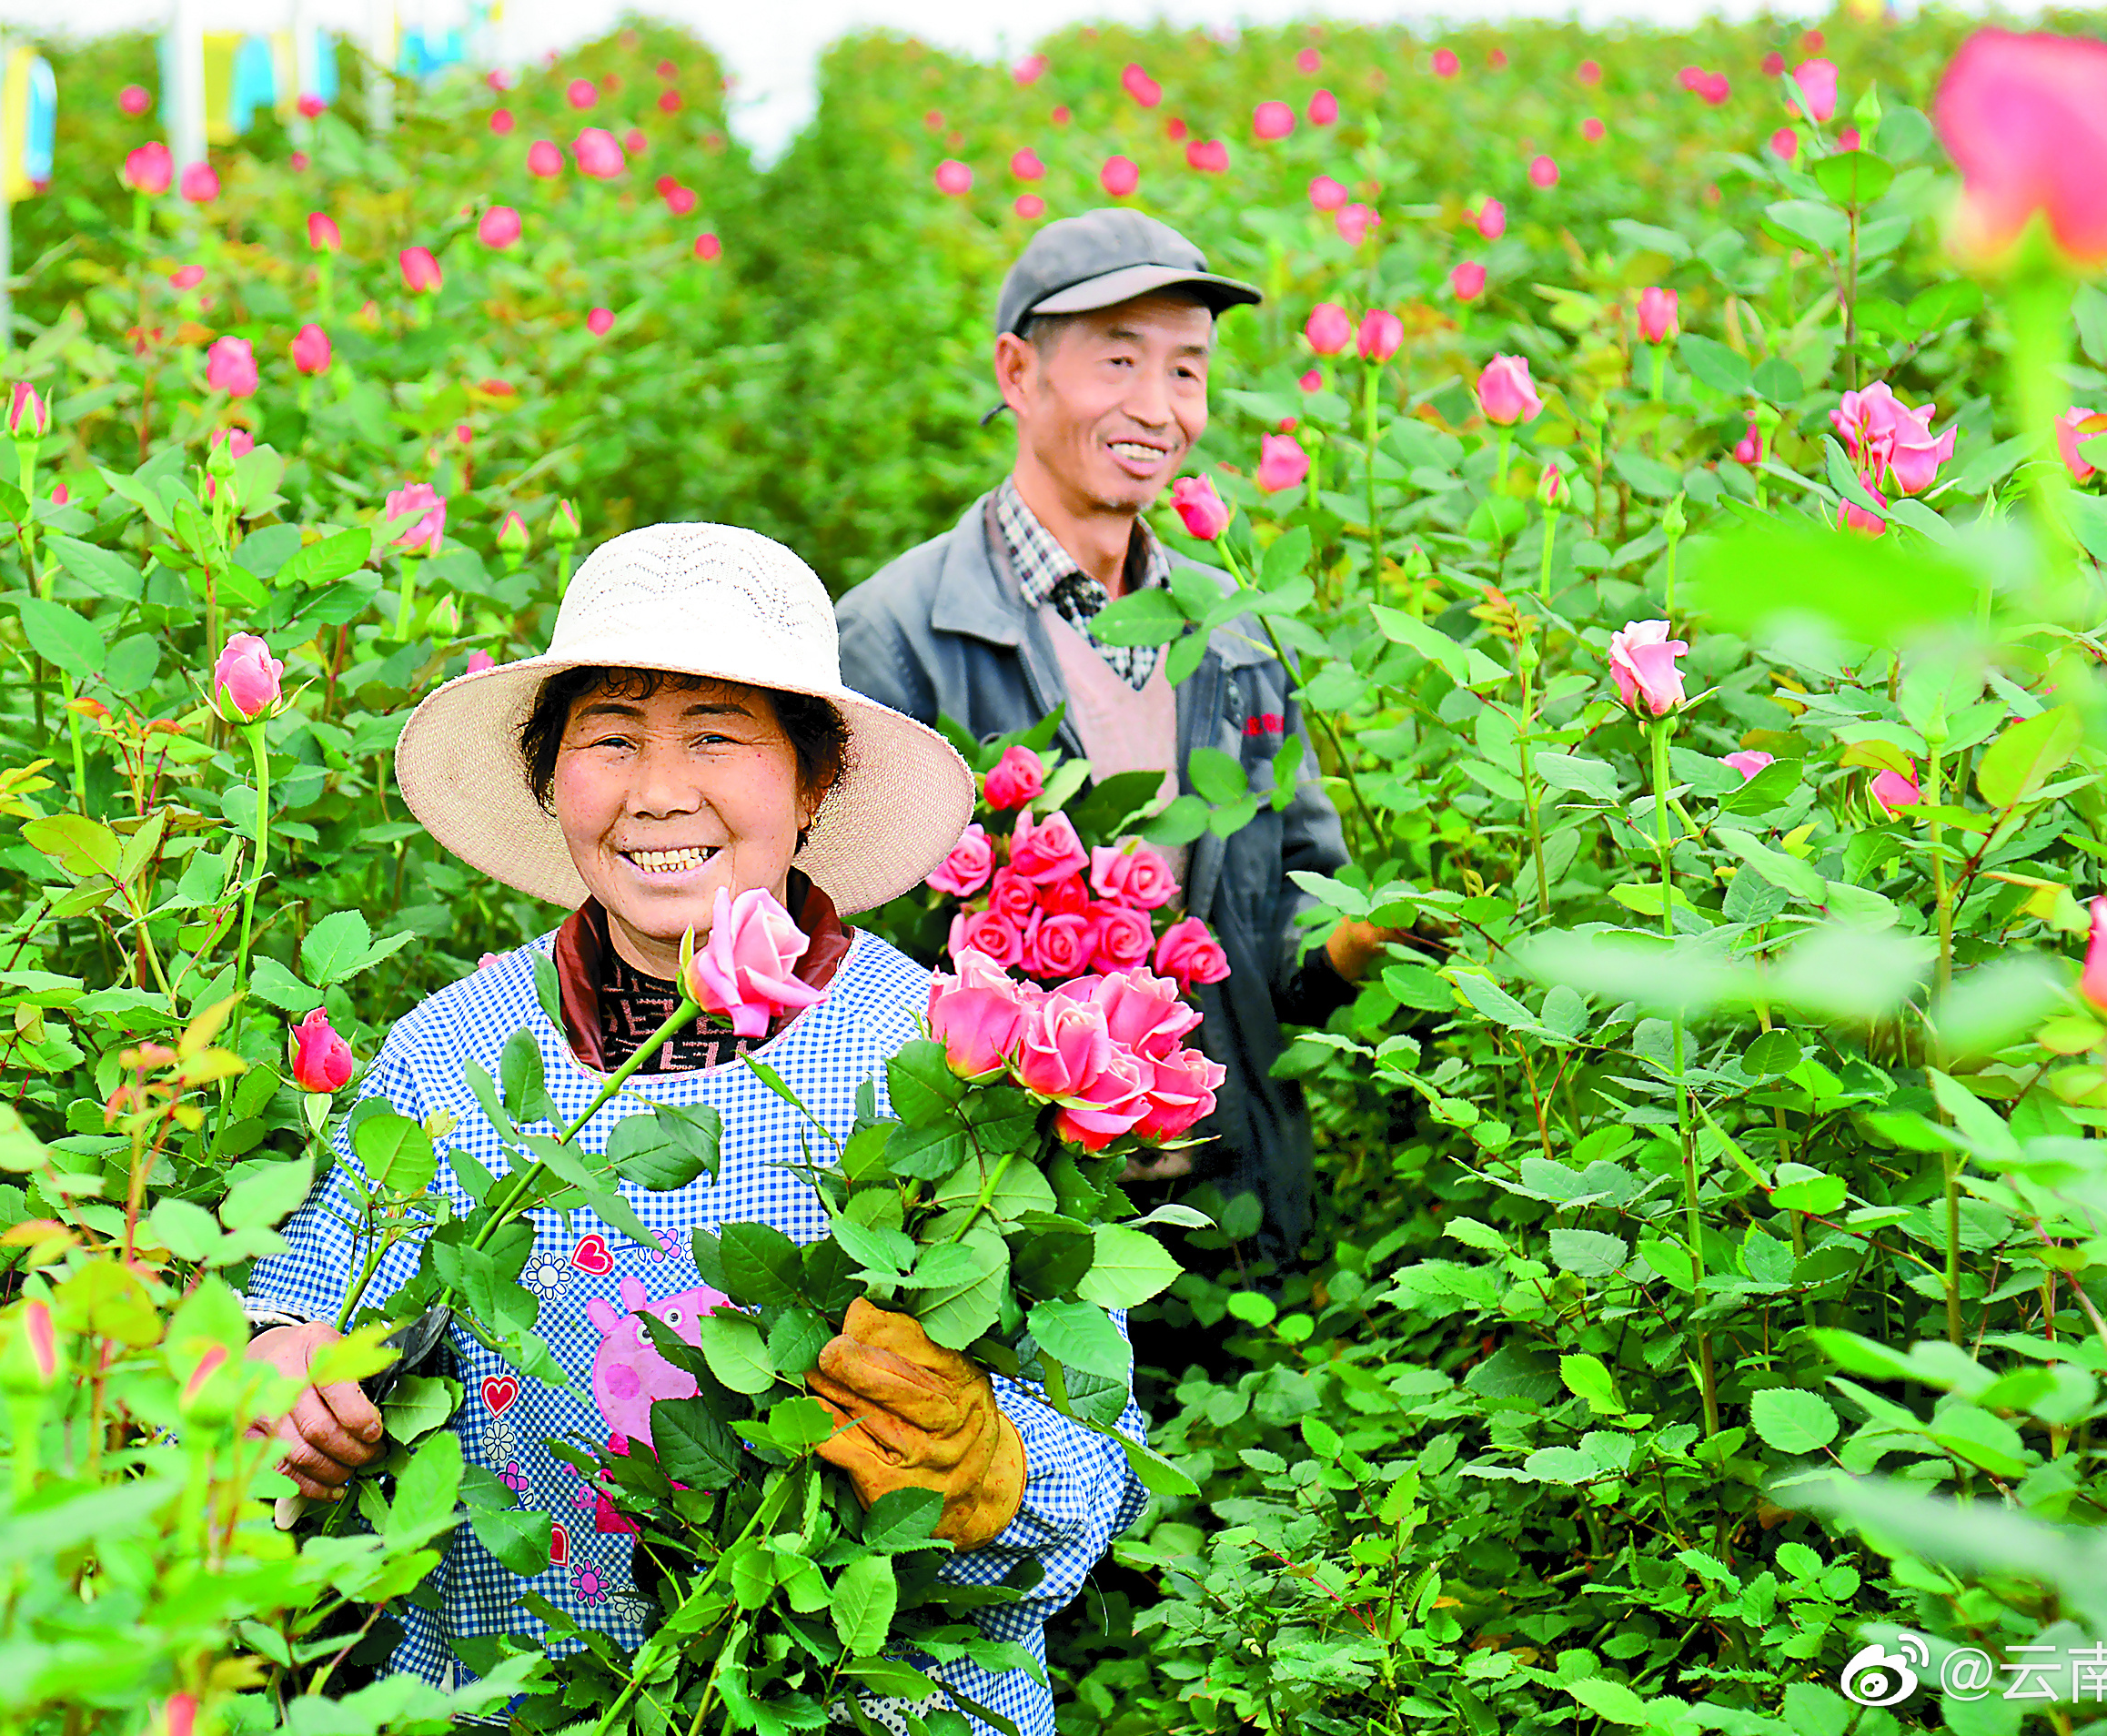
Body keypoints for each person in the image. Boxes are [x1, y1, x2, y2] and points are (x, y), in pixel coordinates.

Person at [239, 523, 1145, 1731]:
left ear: (812, 780)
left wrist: (996, 1463)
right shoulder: (452, 1052)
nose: (656, 792)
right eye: (608, 739)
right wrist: (283, 1372)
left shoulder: (948, 1059)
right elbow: (302, 1312)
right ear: (550, 780)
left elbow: (1109, 1458)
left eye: (715, 736)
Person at [834, 208, 1406, 1301]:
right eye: (1118, 361)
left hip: (1230, 1222)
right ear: (1018, 371)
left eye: (1187, 370)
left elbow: (1281, 946)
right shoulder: (894, 638)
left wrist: (1370, 938)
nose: (1158, 407)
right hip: (999, 1235)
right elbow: (852, 979)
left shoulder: (1235, 637)